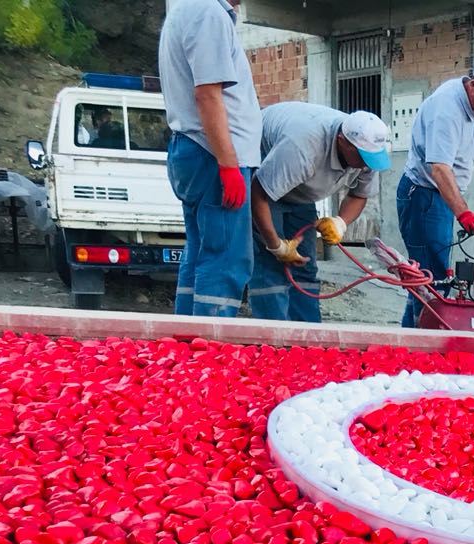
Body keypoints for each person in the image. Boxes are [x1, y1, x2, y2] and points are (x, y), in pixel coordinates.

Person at [158, 0, 261, 319]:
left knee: (200, 253)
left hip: (195, 149)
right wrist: (229, 165)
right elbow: (207, 94)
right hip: (213, 155)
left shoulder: (185, 10)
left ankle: (188, 345)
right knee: (226, 260)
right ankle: (213, 350)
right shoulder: (208, 13)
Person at [398, 61, 474, 328]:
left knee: (426, 276)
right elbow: (439, 168)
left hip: (435, 199)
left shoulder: (468, 104)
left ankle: (411, 339)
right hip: (425, 197)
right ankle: (425, 345)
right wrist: (463, 212)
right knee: (432, 278)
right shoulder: (447, 109)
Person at [247, 104, 392, 323]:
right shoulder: (304, 147)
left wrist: (341, 222)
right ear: (343, 142)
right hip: (263, 175)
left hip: (300, 190)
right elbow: (258, 192)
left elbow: (359, 195)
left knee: (304, 264)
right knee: (271, 264)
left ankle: (306, 340)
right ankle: (272, 341)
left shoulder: (368, 153)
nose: (365, 166)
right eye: (362, 158)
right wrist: (275, 245)